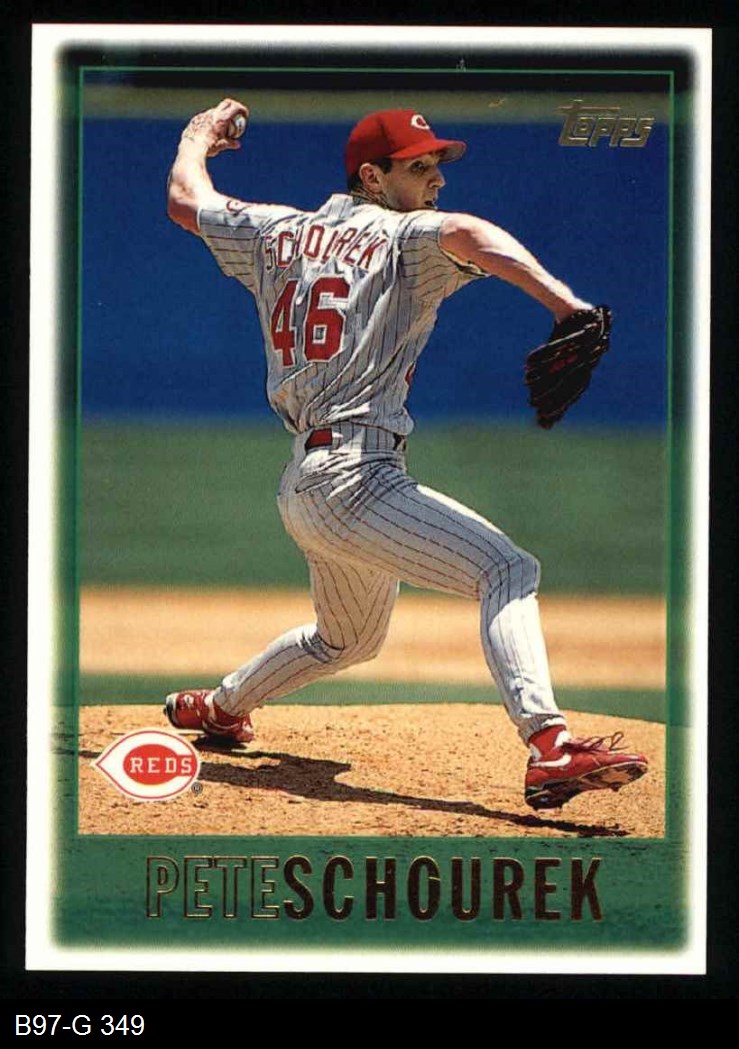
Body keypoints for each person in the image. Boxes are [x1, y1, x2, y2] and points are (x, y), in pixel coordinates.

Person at [164, 98, 648, 810]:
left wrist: (196, 136)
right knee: (507, 569)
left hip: (305, 484)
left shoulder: (274, 231)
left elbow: (185, 200)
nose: (437, 178)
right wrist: (565, 306)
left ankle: (221, 707)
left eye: (436, 165)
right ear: (372, 176)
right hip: (356, 478)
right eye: (420, 167)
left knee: (346, 640)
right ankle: (550, 747)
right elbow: (468, 233)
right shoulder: (403, 236)